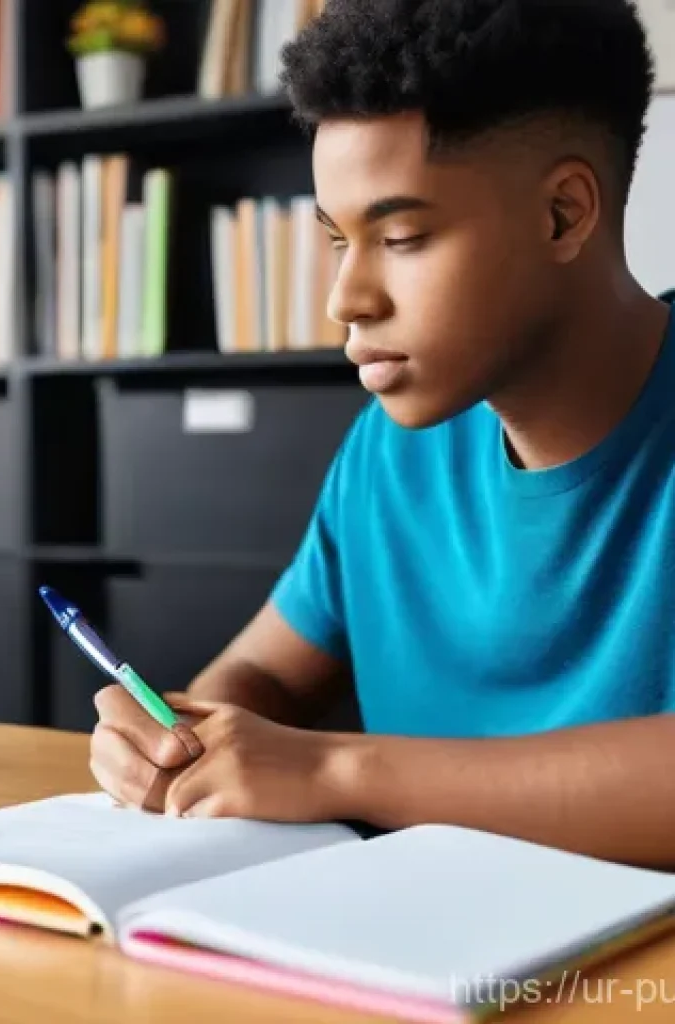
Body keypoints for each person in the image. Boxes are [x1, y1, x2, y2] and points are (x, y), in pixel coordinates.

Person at [90, 0, 675, 869]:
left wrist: (337, 768)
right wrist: (187, 741)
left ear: (563, 214)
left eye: (400, 236)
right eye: (337, 240)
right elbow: (267, 676)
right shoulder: (389, 454)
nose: (346, 299)